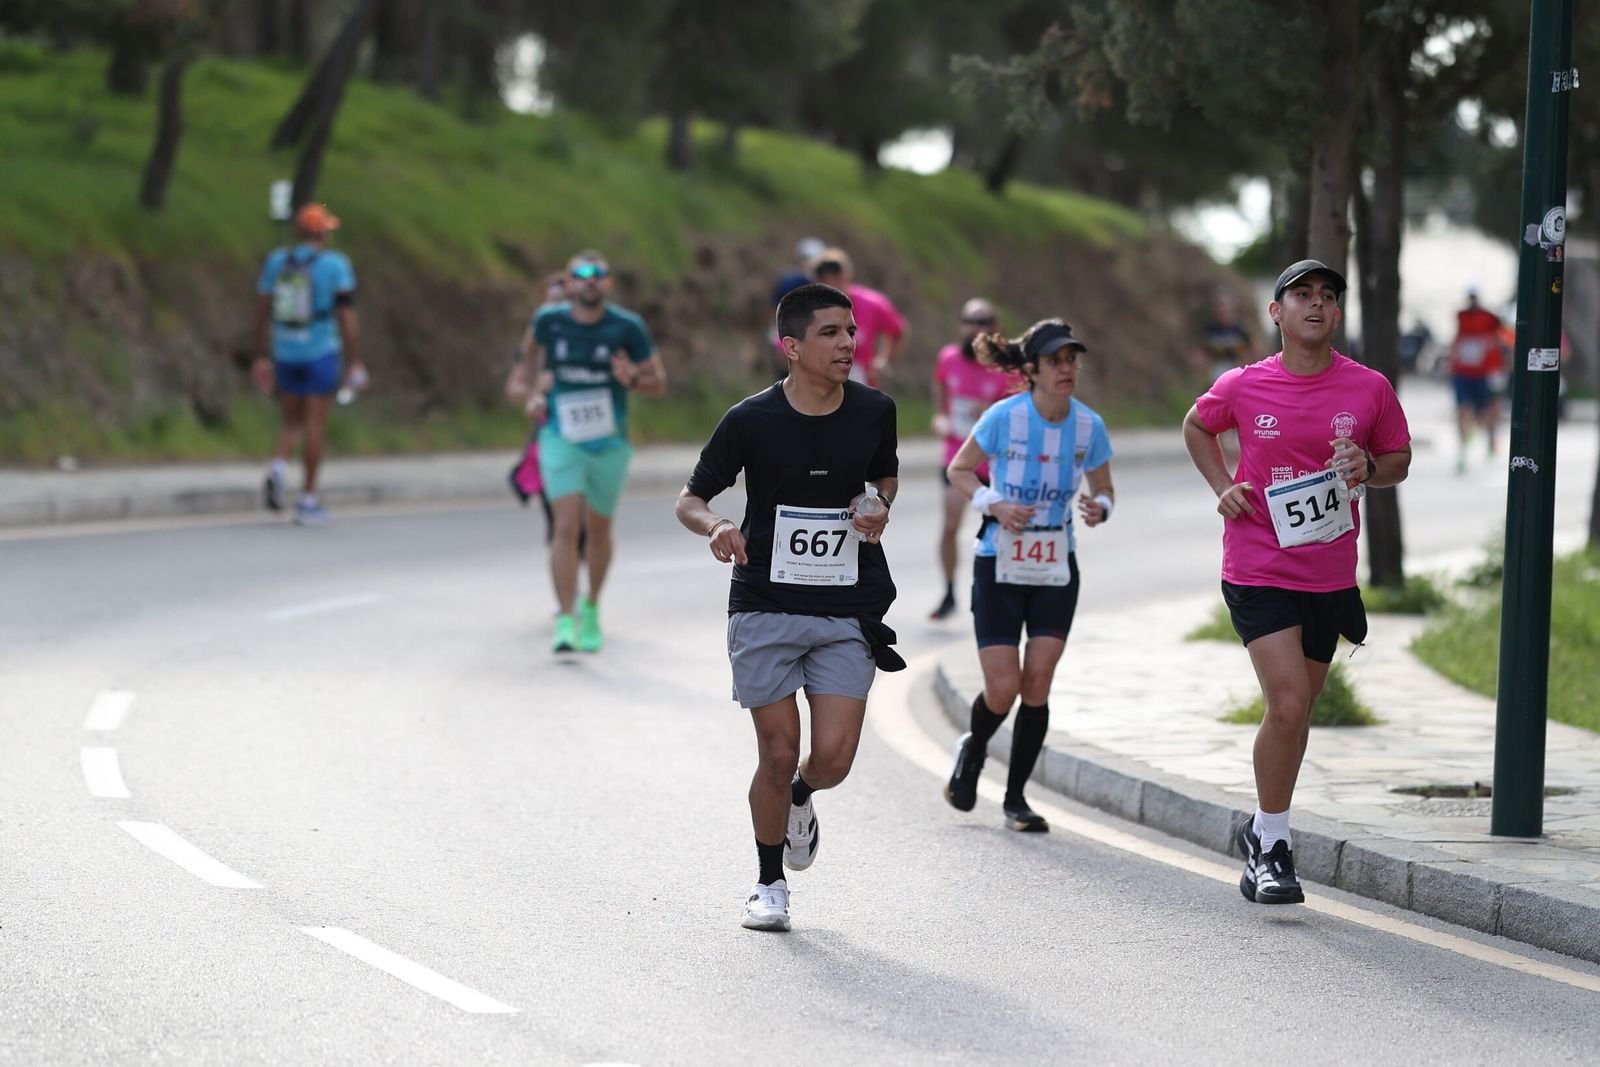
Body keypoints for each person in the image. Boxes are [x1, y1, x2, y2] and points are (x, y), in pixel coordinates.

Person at [1182, 259, 1412, 905]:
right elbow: (1197, 425)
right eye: (1302, 294)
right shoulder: (1244, 385)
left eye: (1327, 296)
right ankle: (1277, 845)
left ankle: (1259, 831)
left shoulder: (1368, 389)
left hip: (1329, 572)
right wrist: (1224, 484)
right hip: (1258, 564)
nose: (1317, 303)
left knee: (1297, 711)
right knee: (1285, 703)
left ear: (1337, 314)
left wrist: (1368, 465)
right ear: (1276, 312)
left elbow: (1398, 460)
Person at [675, 282, 900, 932]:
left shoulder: (874, 409)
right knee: (776, 752)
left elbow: (885, 473)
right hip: (764, 604)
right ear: (792, 346)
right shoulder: (750, 419)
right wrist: (715, 525)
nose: (849, 343)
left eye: (852, 331)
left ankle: (802, 796)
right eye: (831, 333)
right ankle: (769, 881)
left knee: (830, 759)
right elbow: (690, 498)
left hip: (845, 608)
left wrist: (879, 504)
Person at [943, 319, 1114, 833]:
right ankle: (972, 751)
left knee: (1036, 682)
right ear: (1033, 370)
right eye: (1057, 361)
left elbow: (1105, 489)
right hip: (1000, 560)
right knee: (1003, 687)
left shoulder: (1089, 426)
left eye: (1072, 360)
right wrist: (993, 502)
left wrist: (1098, 508)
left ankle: (1016, 798)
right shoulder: (1004, 417)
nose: (1067, 369)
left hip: (1056, 561)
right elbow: (959, 469)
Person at [508, 250, 667, 653]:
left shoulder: (628, 327)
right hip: (560, 437)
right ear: (570, 283)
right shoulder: (548, 321)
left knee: (599, 529)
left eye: (598, 274)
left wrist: (631, 378)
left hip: (609, 443)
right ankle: (565, 617)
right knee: (565, 526)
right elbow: (520, 372)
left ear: (608, 284)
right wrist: (530, 395)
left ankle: (591, 605)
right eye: (581, 274)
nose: (590, 280)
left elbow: (658, 383)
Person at [252, 202, 361, 526]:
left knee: (291, 421)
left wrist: (260, 354)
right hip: (321, 351)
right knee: (316, 424)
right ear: (324, 232)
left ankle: (278, 468)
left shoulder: (276, 262)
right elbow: (346, 315)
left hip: (285, 350)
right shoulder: (336, 265)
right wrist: (354, 359)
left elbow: (261, 312)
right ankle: (308, 498)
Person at [929, 298, 1023, 620]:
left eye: (984, 321)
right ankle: (949, 591)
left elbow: (1017, 418)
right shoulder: (948, 358)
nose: (976, 328)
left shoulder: (1007, 369)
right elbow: (941, 406)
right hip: (957, 457)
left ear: (995, 328)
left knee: (1001, 528)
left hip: (995, 461)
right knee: (951, 522)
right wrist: (941, 421)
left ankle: (1000, 592)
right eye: (970, 321)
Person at [809, 248, 907, 389]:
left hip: (862, 386)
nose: (832, 285)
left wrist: (883, 361)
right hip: (820, 387)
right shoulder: (807, 308)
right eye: (825, 279)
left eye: (836, 277)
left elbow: (897, 330)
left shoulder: (871, 304)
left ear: (847, 276)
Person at [1447, 288, 1507, 472]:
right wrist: (1451, 361)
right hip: (1463, 373)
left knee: (1487, 412)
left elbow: (1502, 338)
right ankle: (1462, 451)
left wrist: (1499, 365)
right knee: (1463, 411)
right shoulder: (1461, 317)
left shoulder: (1490, 318)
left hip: (1484, 373)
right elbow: (1457, 339)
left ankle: (1490, 437)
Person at [1195, 289, 1260, 383]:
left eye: (1225, 309)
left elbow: (1254, 349)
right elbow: (1201, 353)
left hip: (1236, 369)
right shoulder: (1210, 330)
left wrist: (1246, 363)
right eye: (1220, 309)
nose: (1223, 312)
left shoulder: (1240, 330)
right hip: (1216, 371)